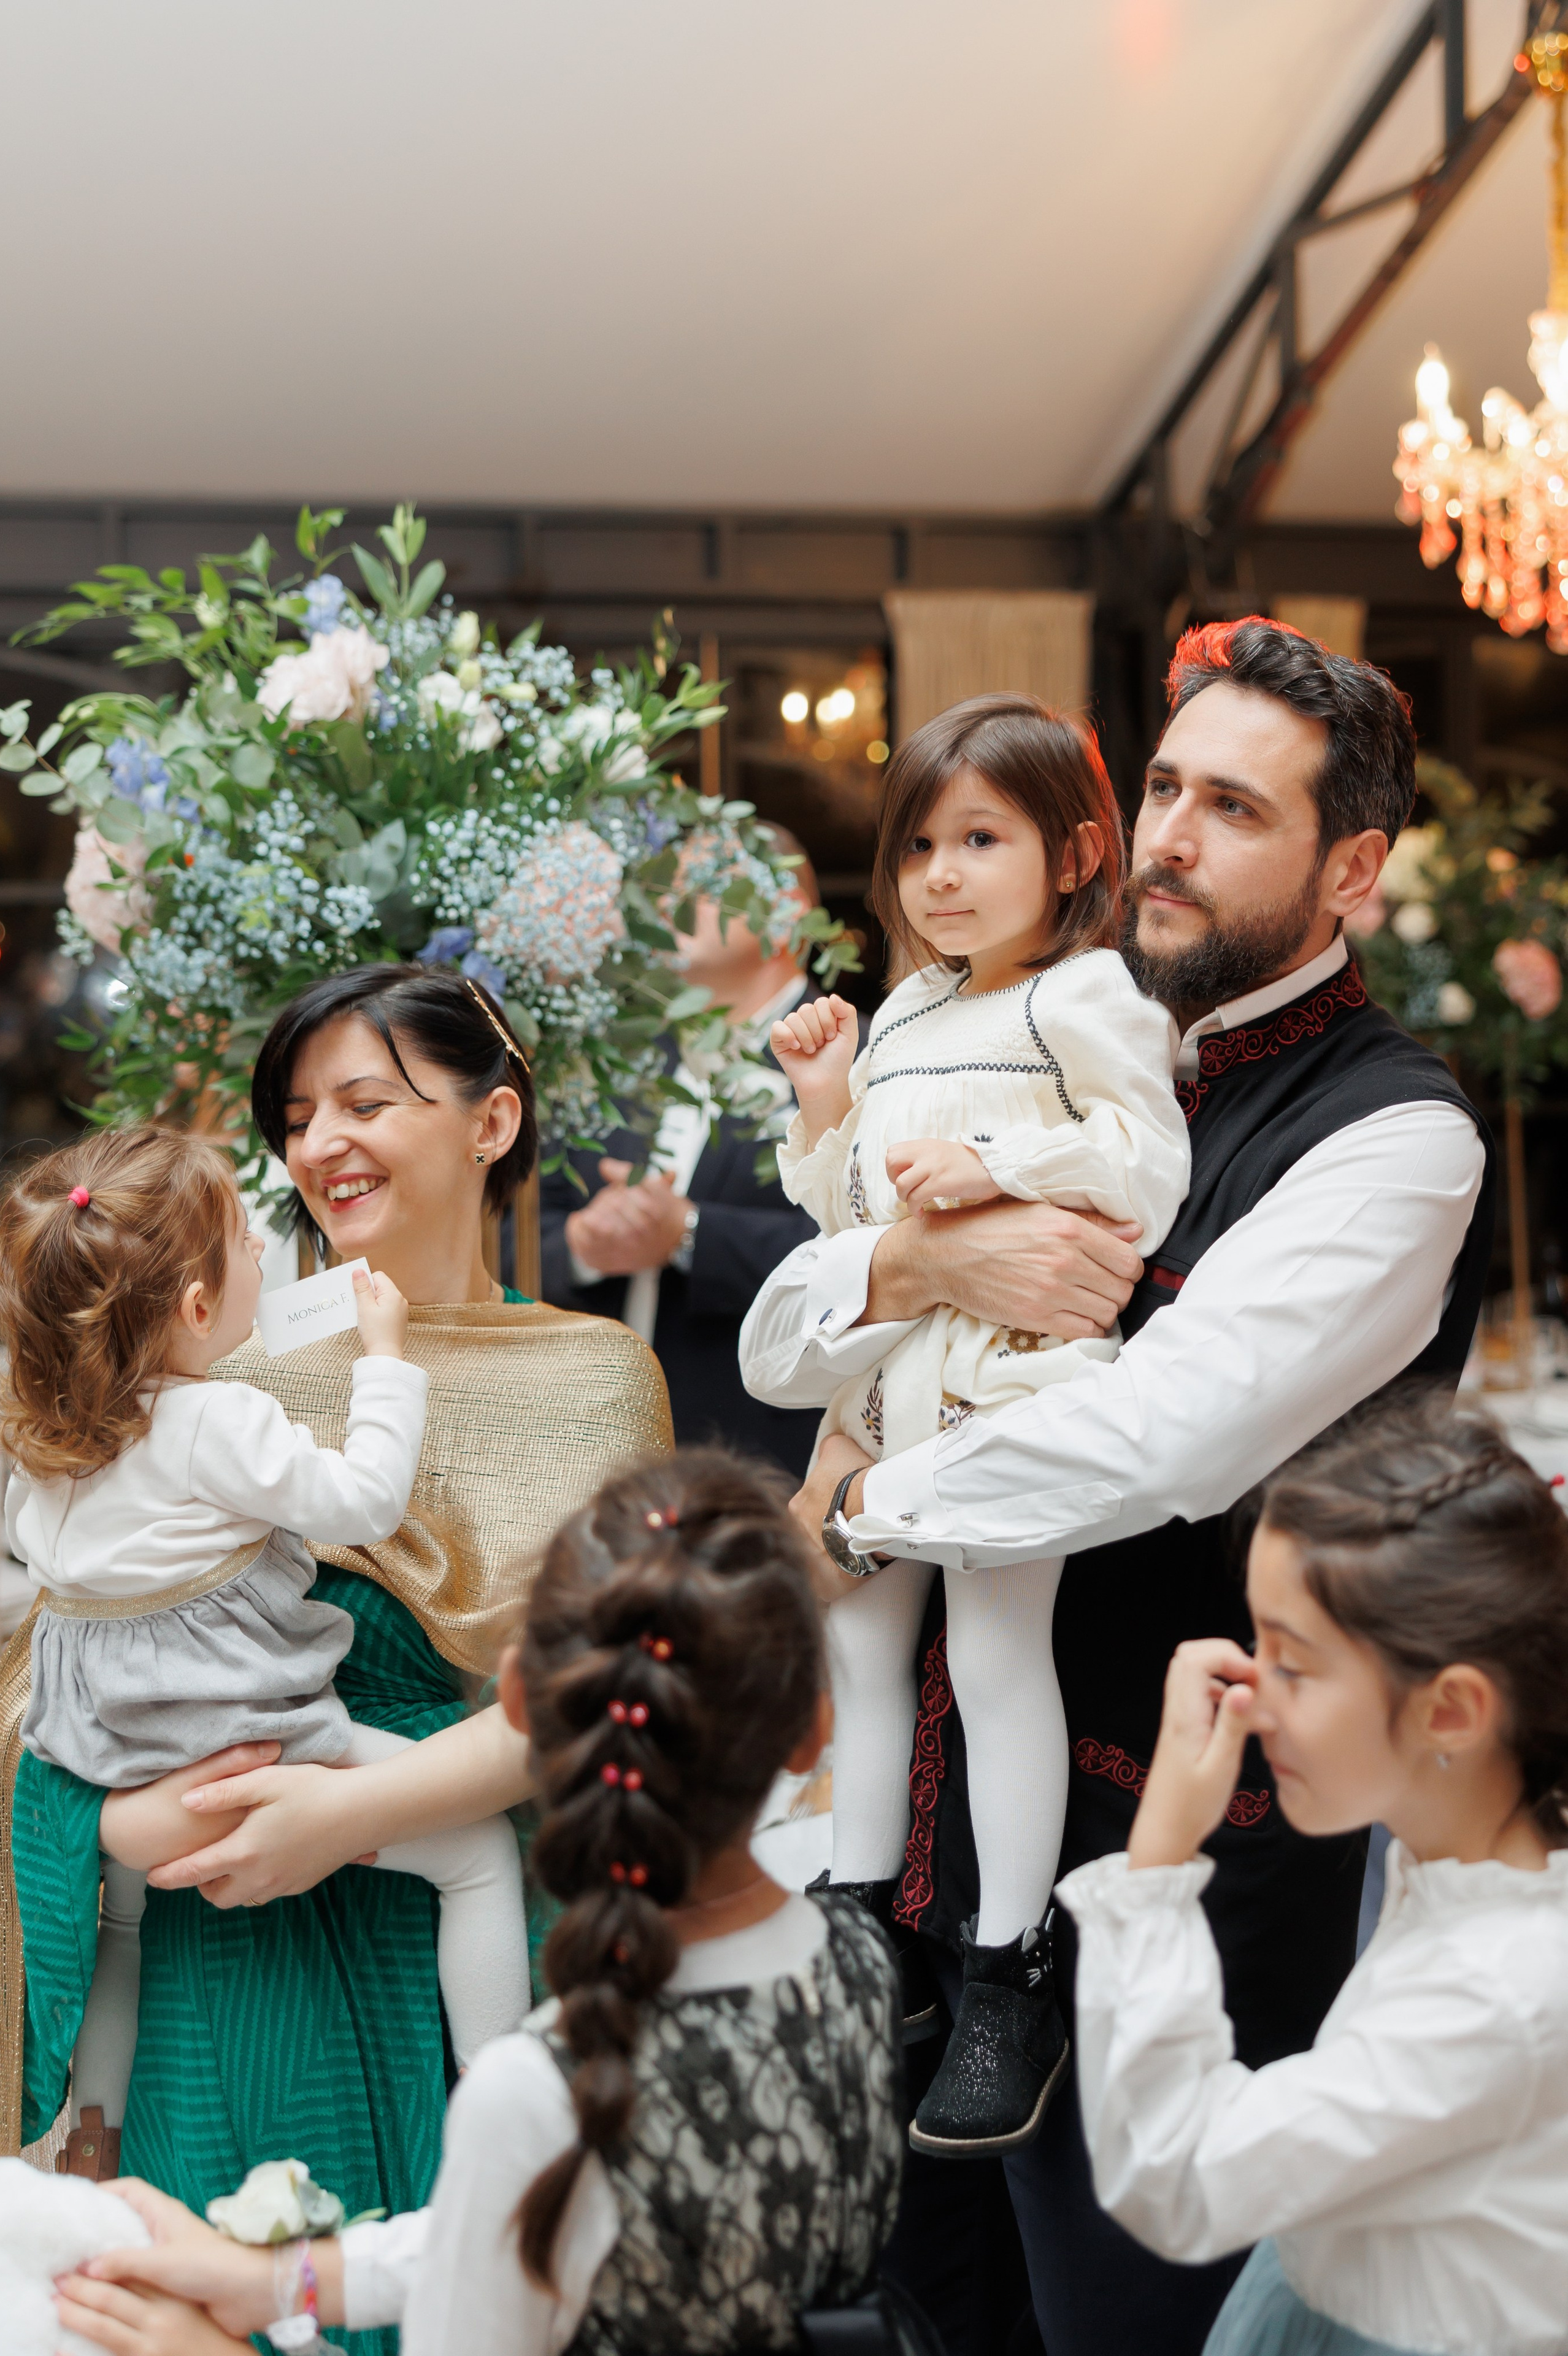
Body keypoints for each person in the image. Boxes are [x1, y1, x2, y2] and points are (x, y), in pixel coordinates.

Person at [740, 620, 1495, 2356]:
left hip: (1184, 1872)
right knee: (927, 2309)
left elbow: (1164, 1439)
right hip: (928, 1863)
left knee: (1118, 2322)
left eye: (1234, 808)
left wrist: (849, 1512)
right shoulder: (1016, 1032)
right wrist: (922, 1268)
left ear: (1351, 868)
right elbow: (793, 1315)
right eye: (1161, 787)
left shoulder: (1393, 1136)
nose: (1166, 837)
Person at [0, 966, 670, 2288]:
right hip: (216, 1958)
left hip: (442, 1953)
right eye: (296, 1119)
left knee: (452, 2273)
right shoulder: (207, 1383)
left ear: (490, 1123)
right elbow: (50, 1671)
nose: (319, 1148)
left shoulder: (594, 1380)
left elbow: (616, 1696)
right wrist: (117, 1828)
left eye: (364, 1103)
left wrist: (348, 1813)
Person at [56, 1450, 906, 2356]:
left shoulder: (539, 2091)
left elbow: (532, 2227)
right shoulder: (858, 1961)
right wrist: (280, 2282)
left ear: (517, 1702)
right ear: (813, 1729)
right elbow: (544, 2234)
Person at [770, 695, 1188, 2155]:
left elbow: (1146, 1164)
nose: (939, 875)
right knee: (861, 1644)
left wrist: (997, 1159)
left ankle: (1010, 1962)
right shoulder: (902, 1013)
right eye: (916, 847)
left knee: (1000, 1656)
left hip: (1011, 1385)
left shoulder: (1084, 996)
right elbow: (845, 1219)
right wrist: (825, 1104)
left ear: (1071, 854)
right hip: (887, 1384)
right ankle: (862, 1926)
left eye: (978, 840)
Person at [0, 1126, 527, 2171]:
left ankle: (92, 2128)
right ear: (200, 1311)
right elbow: (365, 1501)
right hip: (239, 1744)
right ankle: (501, 2108)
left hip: (110, 1757)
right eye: (246, 1239)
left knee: (122, 1928)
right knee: (478, 1855)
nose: (261, 1250)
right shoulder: (215, 1422)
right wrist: (386, 1361)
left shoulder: (48, 1437)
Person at [1061, 1396, 1568, 2356]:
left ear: (1450, 1711)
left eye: (1292, 1665)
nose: (1250, 1698)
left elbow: (1181, 2176)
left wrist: (1158, 1858)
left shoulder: (1500, 1989)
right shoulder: (1464, 1858)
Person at [541, 827, 866, 1479]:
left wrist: (691, 1234)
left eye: (705, 883)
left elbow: (869, 1244)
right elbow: (515, 1224)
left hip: (760, 1457)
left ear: (785, 911)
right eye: (667, 886)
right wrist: (580, 1245)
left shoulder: (853, 1057)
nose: (670, 903)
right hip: (584, 1453)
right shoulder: (613, 1060)